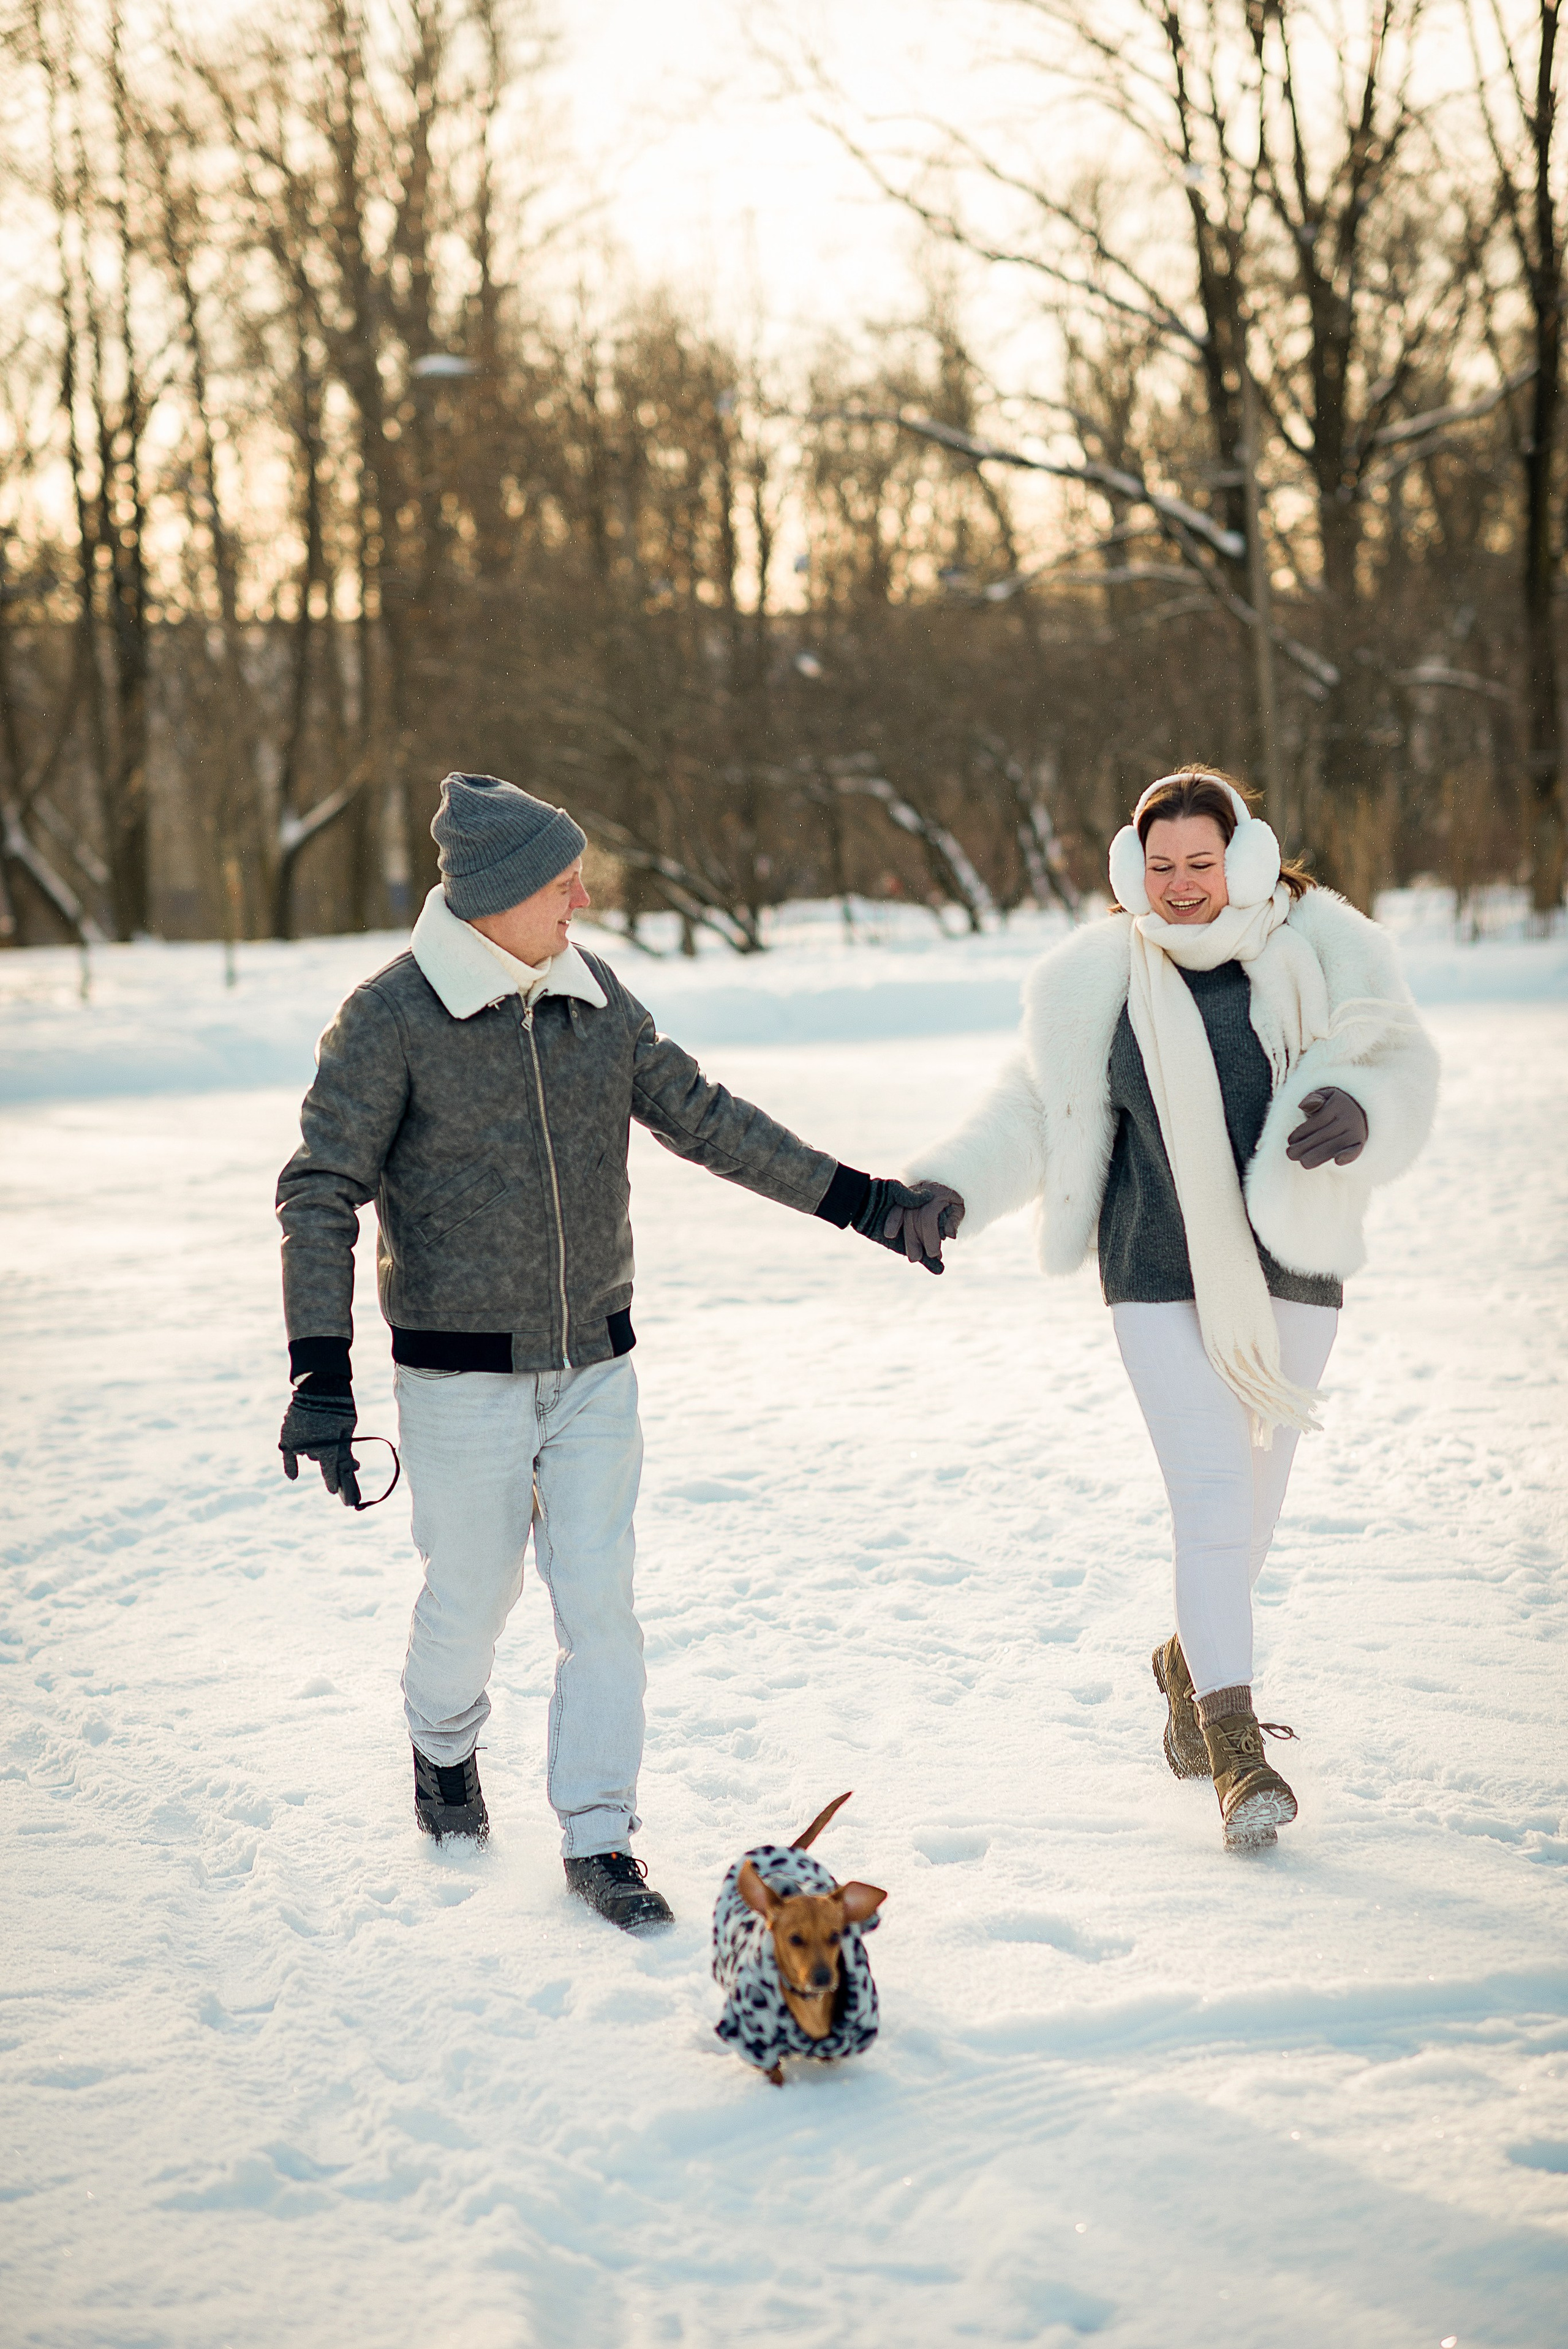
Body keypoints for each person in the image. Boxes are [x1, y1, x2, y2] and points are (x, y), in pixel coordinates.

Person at [276, 772, 950, 1928]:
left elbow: (707, 1117)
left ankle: (600, 1836)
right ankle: (442, 1744)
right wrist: (319, 1375)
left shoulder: (593, 999)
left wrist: (866, 1203)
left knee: (602, 1608)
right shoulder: (391, 1018)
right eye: (562, 883)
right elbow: (321, 1190)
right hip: (458, 1374)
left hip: (595, 1364)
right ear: (496, 896)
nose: (583, 899)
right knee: (474, 1595)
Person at [895, 767, 1439, 1849]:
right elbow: (1034, 1108)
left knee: (1255, 1510)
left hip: (1294, 1264)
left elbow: (1404, 1064)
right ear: (1129, 870)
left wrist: (1364, 1108)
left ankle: (1188, 1662)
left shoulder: (1332, 951)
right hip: (1154, 1270)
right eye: (1161, 866)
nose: (1181, 886)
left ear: (1247, 860)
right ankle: (1236, 1750)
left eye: (1202, 863)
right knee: (1213, 1497)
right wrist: (950, 1186)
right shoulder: (1103, 978)